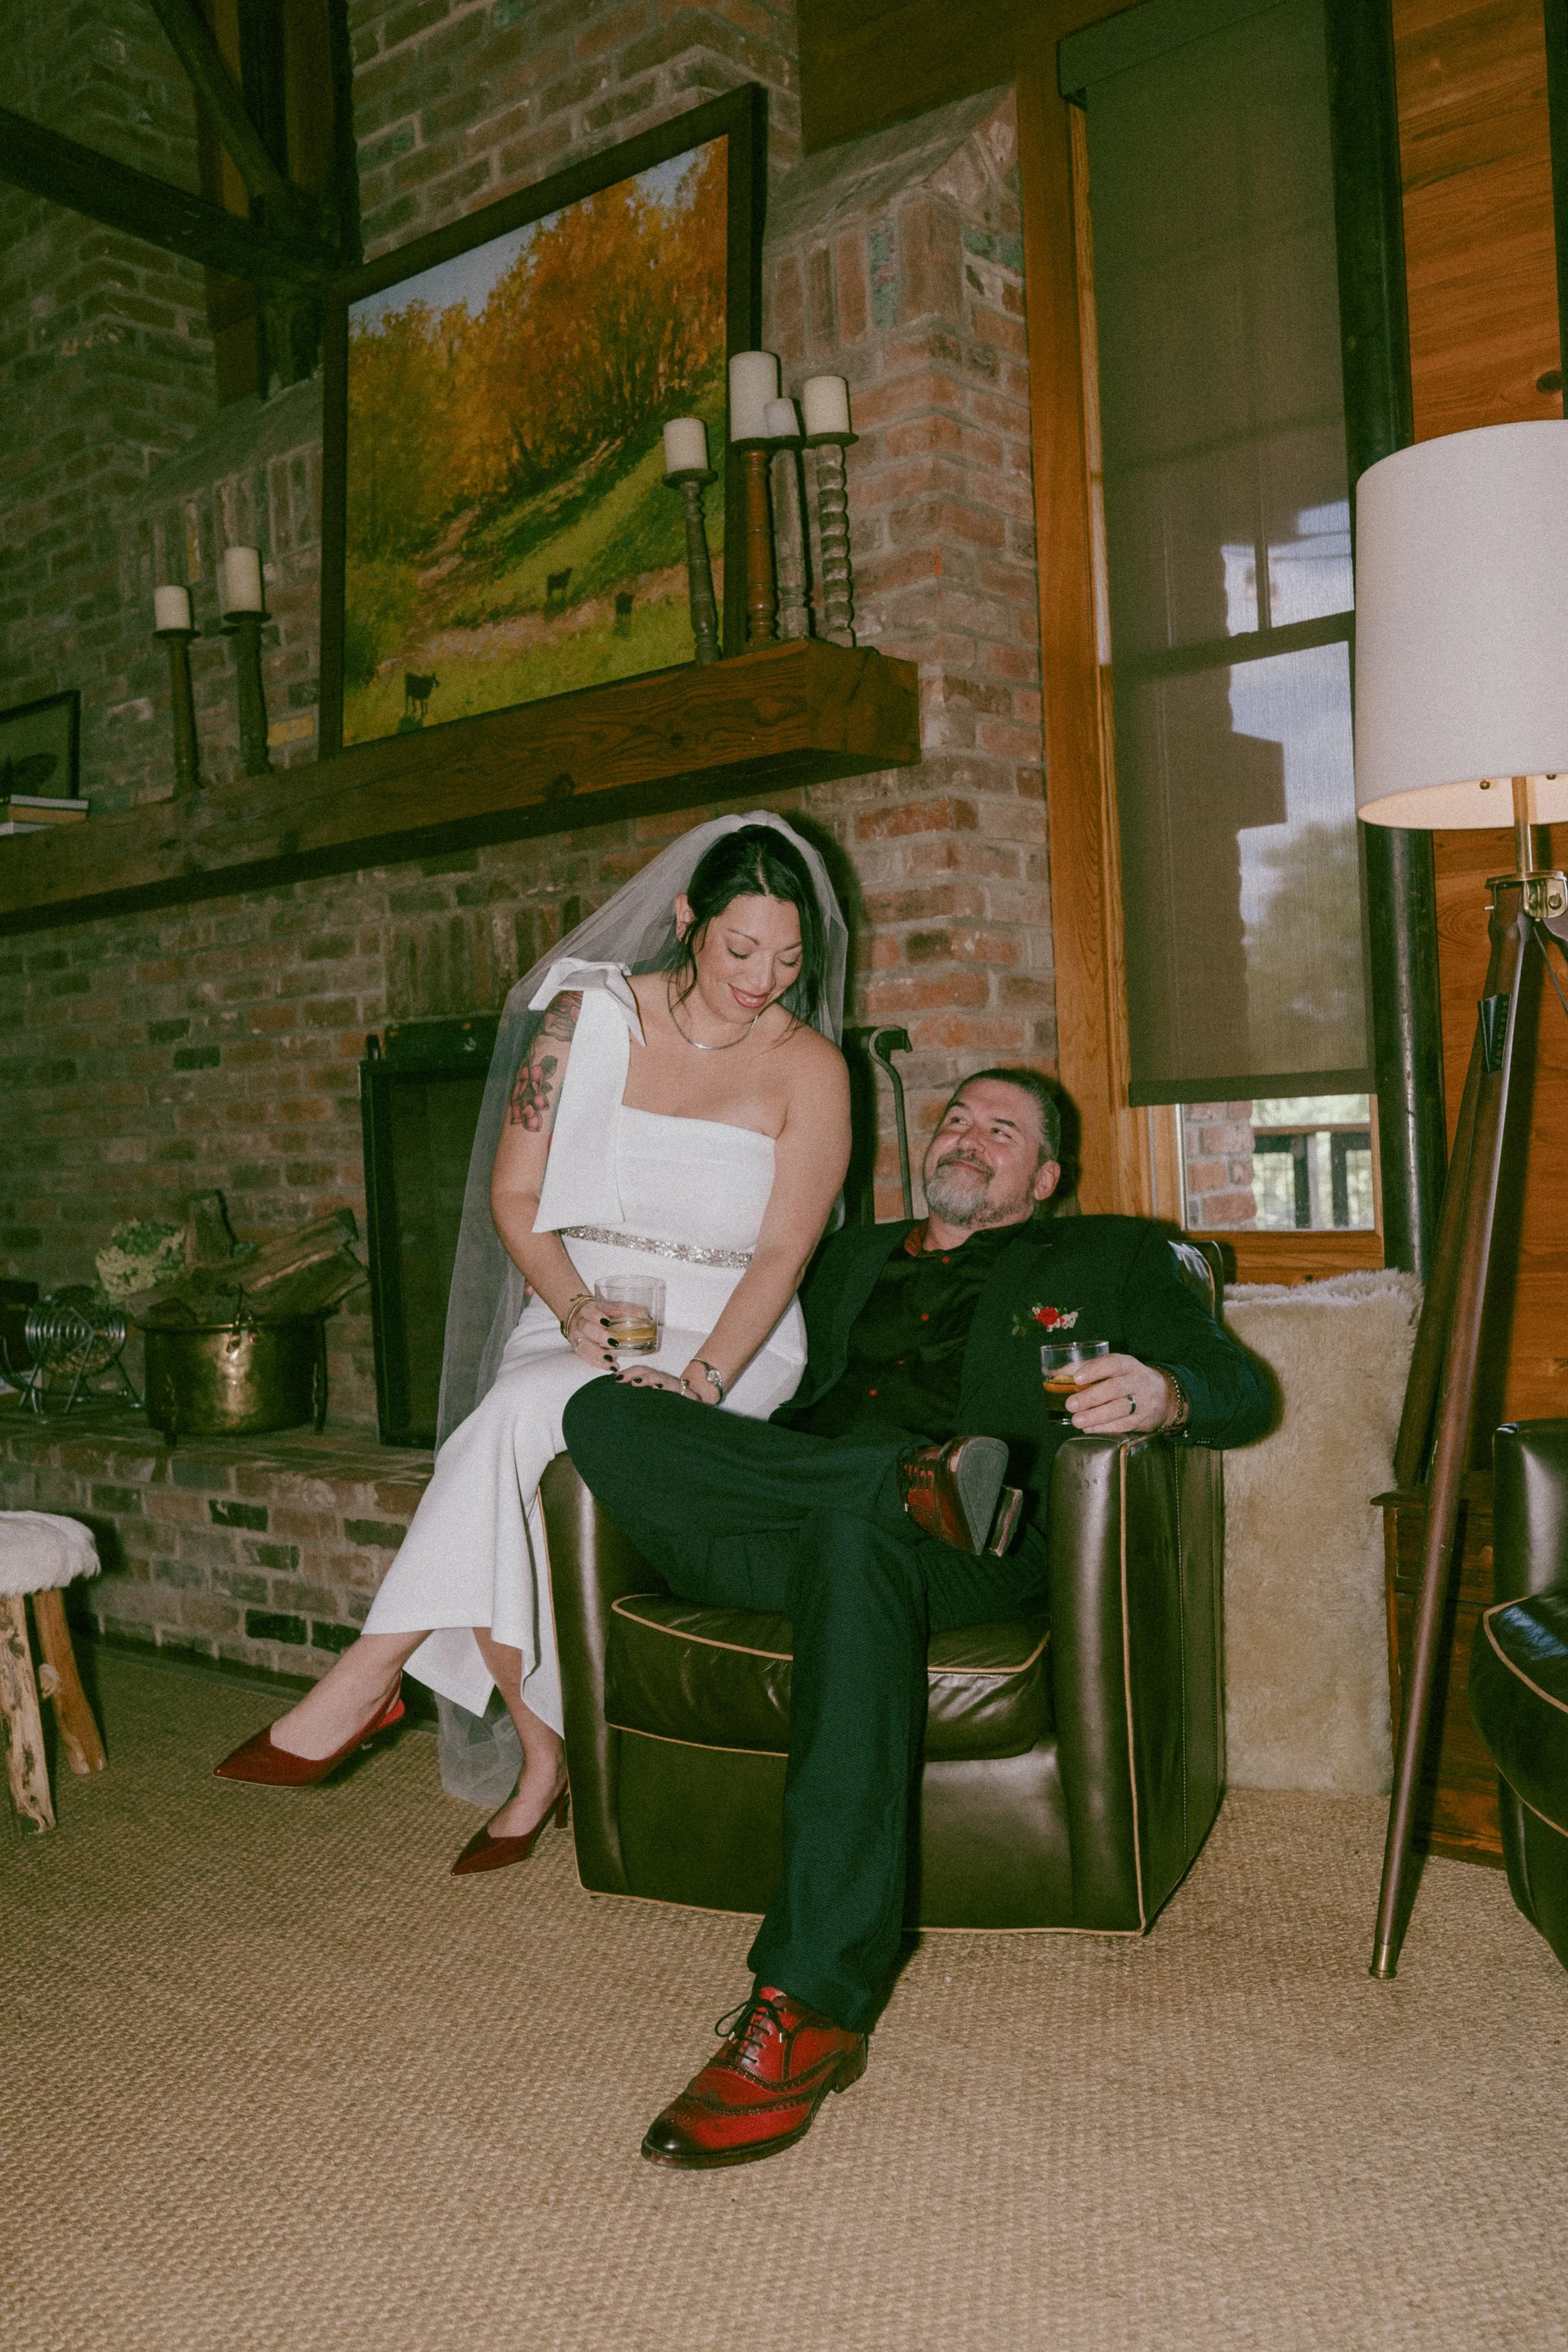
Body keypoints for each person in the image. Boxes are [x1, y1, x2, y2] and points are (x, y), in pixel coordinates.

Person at [562, 1064, 1271, 2168]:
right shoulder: (843, 1255)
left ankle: (809, 2006)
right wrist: (691, 1401)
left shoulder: (1115, 1253)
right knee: (600, 1412)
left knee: (857, 1546)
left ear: (1044, 1175)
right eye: (956, 1119)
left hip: (970, 1546)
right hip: (812, 1511)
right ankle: (896, 1478)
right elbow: (748, 1374)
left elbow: (1241, 1385)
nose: (969, 1137)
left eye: (1003, 1130)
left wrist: (1168, 1391)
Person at [213, 815, 851, 1877]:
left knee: (502, 1426)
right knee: (516, 1440)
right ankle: (540, 1760)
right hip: (581, 1306)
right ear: (688, 921)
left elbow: (783, 1255)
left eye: (787, 959)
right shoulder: (581, 1018)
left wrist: (698, 1382)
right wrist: (570, 1307)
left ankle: (373, 1680)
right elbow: (515, 1194)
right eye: (741, 950)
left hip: (729, 1337)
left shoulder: (813, 1069)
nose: (761, 980)